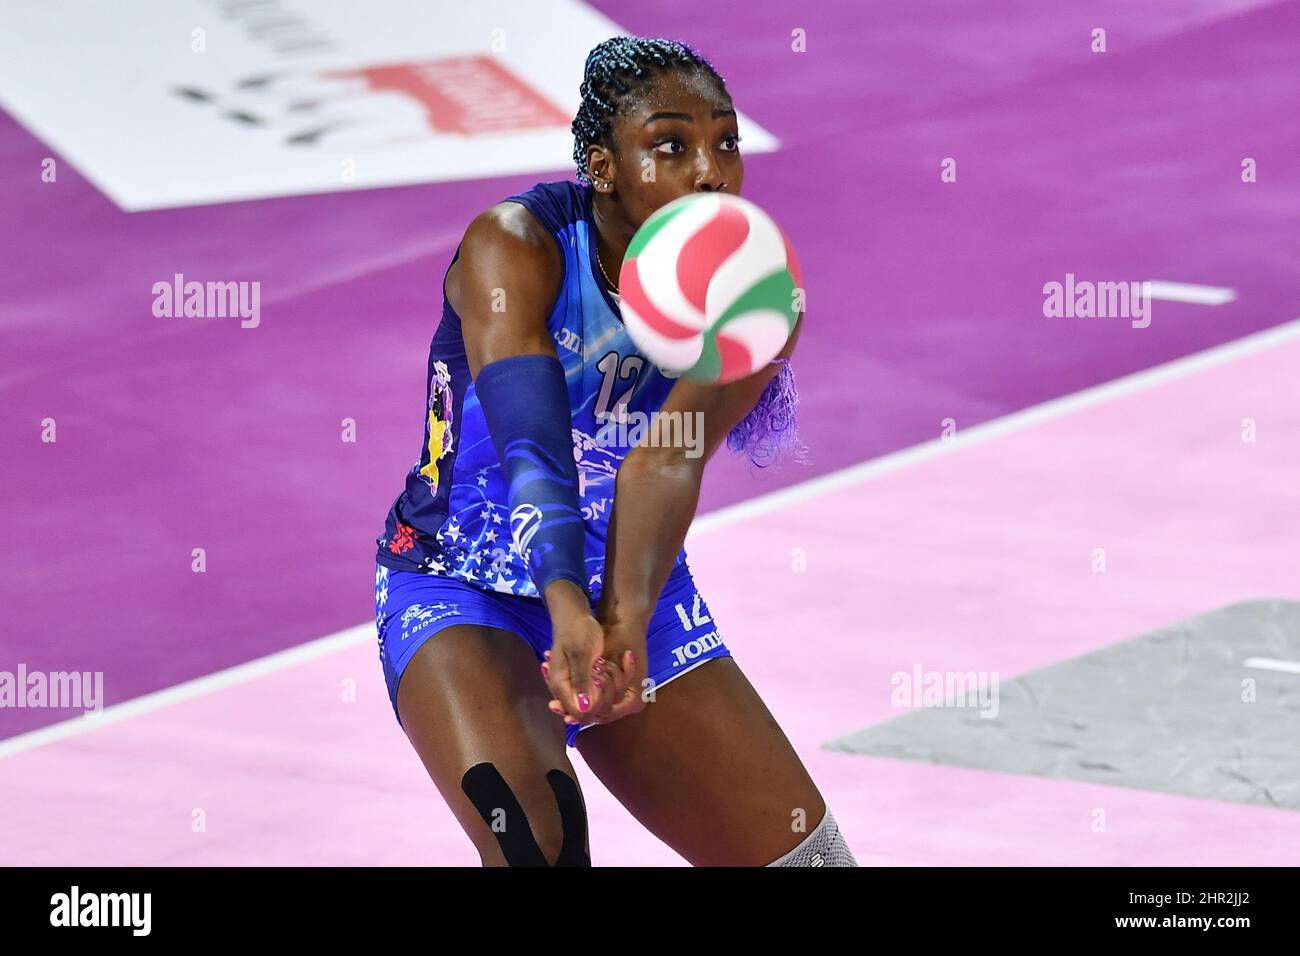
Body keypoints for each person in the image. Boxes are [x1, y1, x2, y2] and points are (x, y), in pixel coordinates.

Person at [374, 35, 856, 867]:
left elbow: (666, 457)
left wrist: (624, 620)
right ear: (603, 168)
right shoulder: (514, 247)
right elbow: (533, 449)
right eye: (671, 145)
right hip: (462, 588)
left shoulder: (755, 292)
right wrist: (564, 603)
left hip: (631, 575)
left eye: (726, 143)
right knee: (540, 847)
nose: (709, 171)